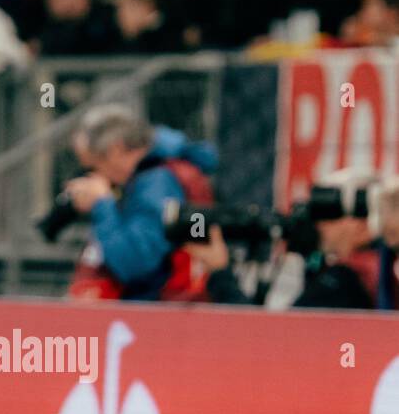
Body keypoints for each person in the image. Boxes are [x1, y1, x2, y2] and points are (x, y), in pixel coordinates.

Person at [64, 105, 217, 301]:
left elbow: (134, 264)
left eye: (94, 166)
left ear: (116, 150)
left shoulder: (157, 182)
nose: (92, 177)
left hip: (161, 313)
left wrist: (102, 204)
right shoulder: (146, 178)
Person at [188, 171, 390, 309]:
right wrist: (311, 255)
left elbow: (269, 341)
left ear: (363, 224)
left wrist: (220, 272)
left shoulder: (347, 279)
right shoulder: (376, 268)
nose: (319, 225)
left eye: (328, 215)